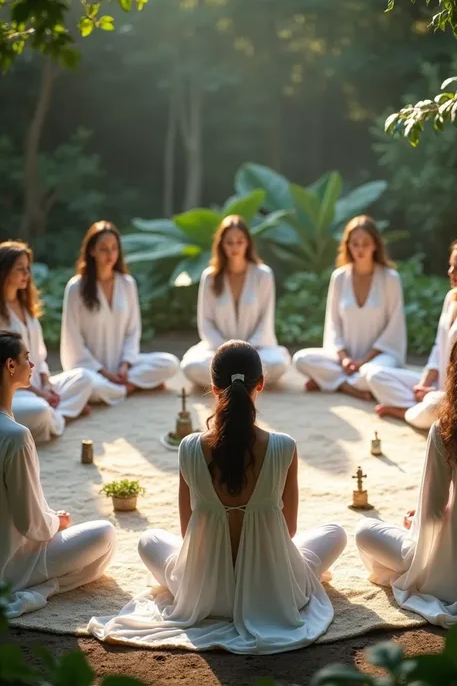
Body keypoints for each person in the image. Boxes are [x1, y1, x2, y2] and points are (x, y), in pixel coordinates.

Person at [89, 340, 347, 654]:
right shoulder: (284, 446)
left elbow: (187, 535)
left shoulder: (189, 447)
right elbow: (289, 531)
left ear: (213, 388)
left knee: (149, 540)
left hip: (205, 595)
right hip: (273, 592)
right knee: (335, 533)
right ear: (261, 384)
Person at [356, 327, 457, 627]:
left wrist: (413, 525)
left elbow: (433, 513)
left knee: (365, 531)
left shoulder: (447, 430)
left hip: (450, 580)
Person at [0, 330, 116, 618]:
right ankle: (39, 588)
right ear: (10, 366)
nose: (33, 365)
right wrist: (56, 522)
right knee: (106, 535)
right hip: (11, 563)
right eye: (27, 358)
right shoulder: (15, 436)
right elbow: (31, 524)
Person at [60, 221, 180, 405]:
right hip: (90, 369)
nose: (110, 254)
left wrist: (125, 366)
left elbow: (133, 331)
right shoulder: (76, 287)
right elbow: (72, 340)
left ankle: (121, 388)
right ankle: (129, 387)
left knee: (170, 363)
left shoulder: (126, 283)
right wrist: (104, 372)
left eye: (114, 248)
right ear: (91, 251)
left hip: (122, 367)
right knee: (86, 383)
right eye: (104, 249)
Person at [365, 238, 457, 429]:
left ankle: (404, 412)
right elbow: (439, 346)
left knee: (434, 404)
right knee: (375, 375)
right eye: (450, 266)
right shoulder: (451, 298)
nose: (450, 272)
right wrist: (424, 382)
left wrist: (436, 394)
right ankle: (422, 409)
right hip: (437, 386)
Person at [293, 216, 406, 400]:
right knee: (301, 359)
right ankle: (348, 386)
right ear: (347, 245)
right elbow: (333, 325)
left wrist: (364, 361)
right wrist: (345, 358)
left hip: (379, 358)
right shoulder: (339, 277)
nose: (360, 249)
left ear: (375, 245)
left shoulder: (390, 278)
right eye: (355, 244)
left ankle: (328, 380)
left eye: (365, 243)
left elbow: (394, 328)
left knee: (372, 373)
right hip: (344, 360)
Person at [181, 215, 290, 387]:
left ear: (248, 243)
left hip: (258, 349)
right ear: (221, 245)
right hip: (218, 350)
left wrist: (247, 351)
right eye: (229, 242)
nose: (235, 247)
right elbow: (206, 322)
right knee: (191, 366)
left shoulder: (263, 274)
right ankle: (247, 382)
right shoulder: (210, 277)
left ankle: (230, 381)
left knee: (277, 364)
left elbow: (266, 319)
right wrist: (227, 351)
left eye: (240, 241)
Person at [0, 240, 92, 443]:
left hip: (37, 384)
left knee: (84, 377)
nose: (27, 274)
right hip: (13, 393)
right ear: (4, 271)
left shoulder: (26, 308)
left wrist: (47, 385)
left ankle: (55, 415)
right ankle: (63, 416)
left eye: (28, 269)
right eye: (20, 269)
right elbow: (7, 373)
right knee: (39, 410)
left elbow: (39, 356)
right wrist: (40, 394)